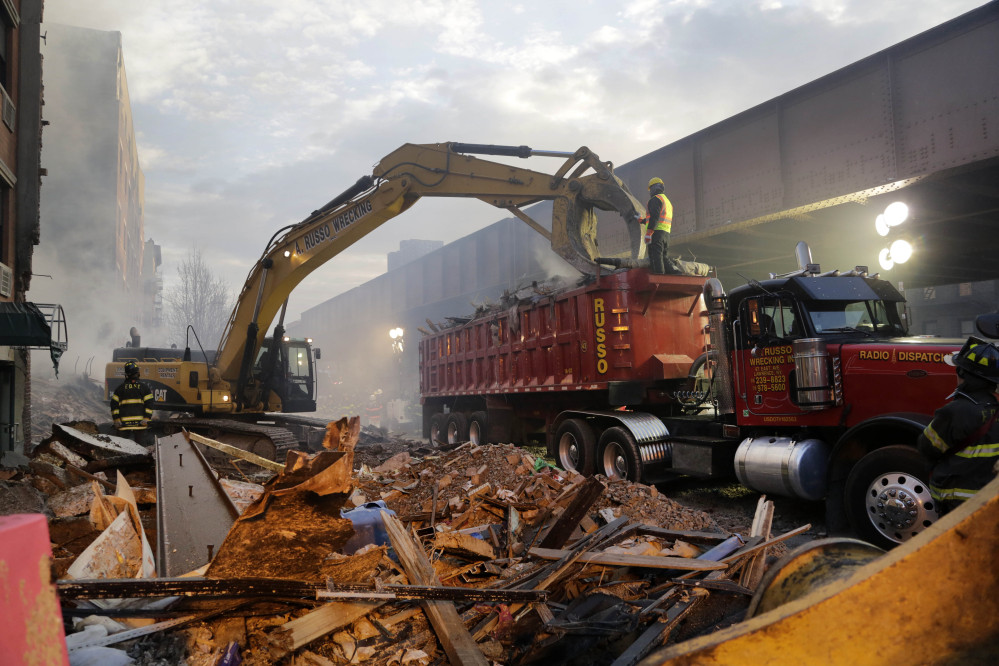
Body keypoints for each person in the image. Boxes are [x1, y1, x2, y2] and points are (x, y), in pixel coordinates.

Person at [917, 336, 999, 514]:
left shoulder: (954, 412)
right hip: (989, 499)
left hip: (957, 500)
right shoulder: (995, 409)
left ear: (963, 374)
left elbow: (927, 447)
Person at [111, 361, 154, 446]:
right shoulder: (144, 388)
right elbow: (149, 404)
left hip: (123, 425)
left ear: (127, 374)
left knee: (120, 448)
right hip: (140, 425)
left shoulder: (120, 388)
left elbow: (114, 405)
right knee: (141, 450)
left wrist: (116, 420)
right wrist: (146, 418)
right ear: (137, 373)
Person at [640, 177, 673, 274]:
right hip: (666, 234)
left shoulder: (655, 199)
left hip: (656, 233)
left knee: (656, 258)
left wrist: (649, 233)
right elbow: (658, 217)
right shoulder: (667, 201)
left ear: (654, 187)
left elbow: (655, 217)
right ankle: (676, 273)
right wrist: (642, 221)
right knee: (664, 258)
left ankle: (659, 280)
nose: (650, 192)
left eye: (650, 189)